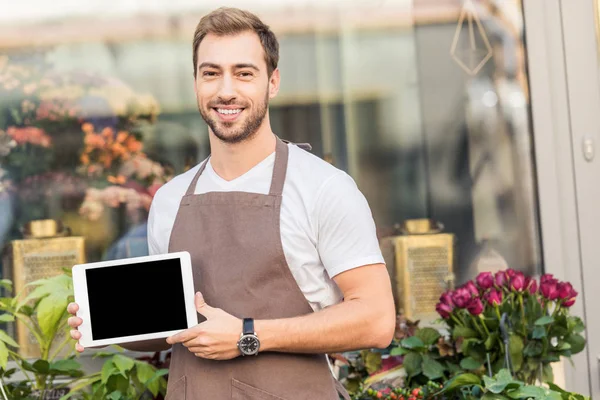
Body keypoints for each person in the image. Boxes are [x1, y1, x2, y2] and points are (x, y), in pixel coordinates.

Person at [67, 7, 395, 399]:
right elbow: (173, 326)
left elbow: (376, 319)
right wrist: (104, 324)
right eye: (211, 73)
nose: (226, 90)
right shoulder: (170, 200)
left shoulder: (324, 188)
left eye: (243, 73)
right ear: (195, 83)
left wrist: (247, 335)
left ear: (272, 83)